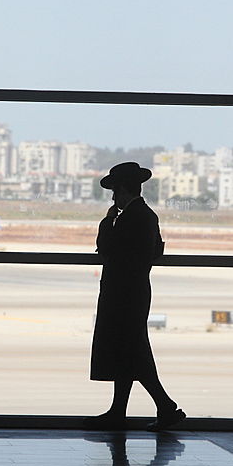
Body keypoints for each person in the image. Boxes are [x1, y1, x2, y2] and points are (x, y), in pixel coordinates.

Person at [85, 162, 185, 431]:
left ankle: (165, 406)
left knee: (134, 353)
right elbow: (156, 250)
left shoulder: (130, 217)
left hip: (123, 294)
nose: (113, 198)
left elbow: (106, 247)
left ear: (122, 190)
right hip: (135, 291)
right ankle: (123, 410)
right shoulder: (146, 215)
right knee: (129, 351)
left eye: (114, 191)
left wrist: (107, 221)